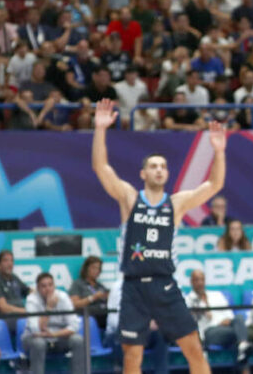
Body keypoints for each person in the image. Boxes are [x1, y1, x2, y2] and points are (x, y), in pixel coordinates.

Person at [91, 98, 227, 374]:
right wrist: (100, 129)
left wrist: (219, 151)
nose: (159, 170)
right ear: (143, 173)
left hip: (165, 284)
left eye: (163, 166)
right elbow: (101, 168)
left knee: (194, 349)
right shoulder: (130, 198)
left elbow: (214, 184)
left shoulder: (176, 203)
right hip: (133, 287)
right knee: (132, 357)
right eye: (153, 166)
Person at [22, 272, 85, 374]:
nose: (48, 289)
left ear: (54, 286)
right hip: (35, 339)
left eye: (50, 285)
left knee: (78, 340)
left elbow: (74, 326)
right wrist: (49, 309)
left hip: (58, 337)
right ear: (38, 288)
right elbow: (35, 330)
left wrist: (54, 334)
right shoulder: (32, 300)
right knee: (39, 343)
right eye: (43, 286)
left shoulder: (63, 297)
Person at [185, 269, 251, 367]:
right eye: (197, 280)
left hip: (227, 328)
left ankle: (243, 347)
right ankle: (243, 346)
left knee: (239, 318)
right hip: (208, 333)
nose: (200, 283)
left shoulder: (216, 295)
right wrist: (218, 321)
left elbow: (229, 315)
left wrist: (226, 321)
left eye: (202, 280)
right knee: (242, 333)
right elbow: (192, 323)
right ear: (191, 282)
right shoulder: (188, 300)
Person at [68, 256, 110, 330]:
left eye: (99, 268)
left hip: (105, 318)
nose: (96, 271)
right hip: (87, 319)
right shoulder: (78, 284)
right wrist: (93, 298)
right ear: (86, 268)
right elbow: (74, 304)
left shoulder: (101, 286)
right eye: (94, 268)